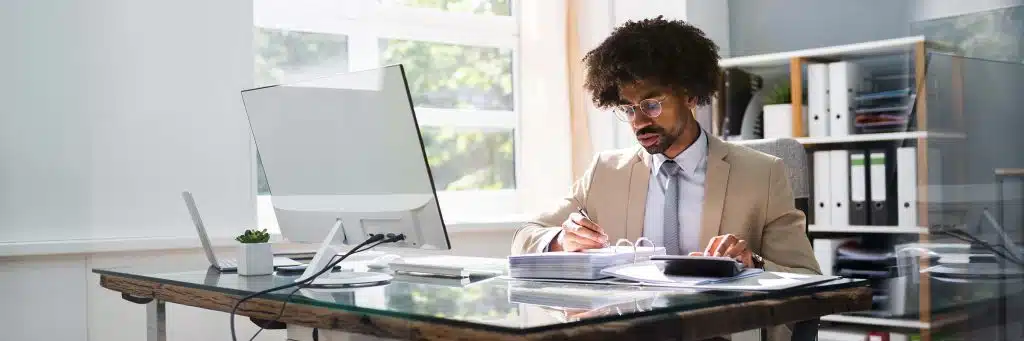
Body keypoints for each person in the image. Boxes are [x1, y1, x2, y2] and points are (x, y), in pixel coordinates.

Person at [510, 16, 820, 340]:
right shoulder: (605, 172)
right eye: (628, 109)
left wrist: (752, 264)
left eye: (652, 105)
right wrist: (561, 240)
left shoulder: (762, 174)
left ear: (689, 95)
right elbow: (525, 236)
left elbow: (807, 279)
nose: (638, 122)